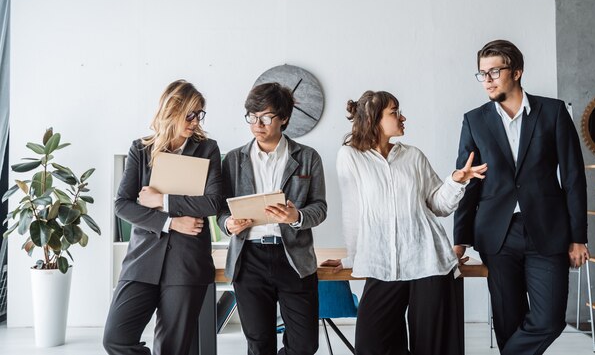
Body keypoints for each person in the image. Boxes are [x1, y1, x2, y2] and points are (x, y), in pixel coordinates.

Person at [322, 90, 487, 355]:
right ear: (373, 119)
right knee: (372, 346)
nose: (402, 117)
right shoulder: (350, 156)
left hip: (427, 263)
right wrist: (352, 258)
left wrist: (456, 180)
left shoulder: (413, 156)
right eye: (394, 112)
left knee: (431, 349)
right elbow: (352, 212)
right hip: (382, 266)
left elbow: (439, 205)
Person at [453, 39, 588, 354]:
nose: (487, 80)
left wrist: (578, 236)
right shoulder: (474, 120)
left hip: (548, 231)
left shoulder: (552, 111)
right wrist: (460, 236)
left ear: (516, 72)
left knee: (550, 319)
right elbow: (467, 181)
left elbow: (572, 177)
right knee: (507, 322)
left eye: (494, 72)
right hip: (496, 236)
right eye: (482, 74)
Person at [103, 80, 223, 355]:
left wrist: (162, 200)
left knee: (171, 348)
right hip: (143, 259)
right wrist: (170, 222)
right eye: (189, 114)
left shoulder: (208, 149)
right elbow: (122, 204)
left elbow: (213, 202)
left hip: (186, 262)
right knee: (116, 339)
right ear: (171, 110)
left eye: (199, 114)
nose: (195, 121)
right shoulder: (140, 149)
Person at [217, 82, 327, 355]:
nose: (257, 124)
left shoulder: (307, 157)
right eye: (252, 117)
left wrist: (296, 216)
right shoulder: (232, 160)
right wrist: (228, 225)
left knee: (304, 345)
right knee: (259, 343)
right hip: (249, 258)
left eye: (266, 117)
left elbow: (320, 208)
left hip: (294, 258)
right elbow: (221, 211)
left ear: (284, 118)